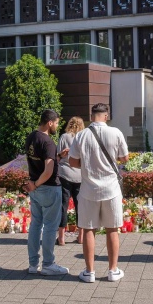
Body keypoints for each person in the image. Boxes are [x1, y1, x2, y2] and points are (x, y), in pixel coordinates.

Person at [69, 103, 129, 282]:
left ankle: (89, 272)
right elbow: (124, 158)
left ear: (92, 115)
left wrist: (87, 165)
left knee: (88, 229)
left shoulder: (81, 135)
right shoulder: (116, 132)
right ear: (106, 115)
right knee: (112, 229)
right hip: (111, 188)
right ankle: (112, 270)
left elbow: (72, 162)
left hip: (88, 189)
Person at [25, 109, 69, 276]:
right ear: (50, 122)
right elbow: (49, 171)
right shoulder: (48, 142)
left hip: (35, 189)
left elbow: (43, 164)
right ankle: (48, 264)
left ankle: (33, 264)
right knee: (50, 227)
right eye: (57, 123)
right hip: (48, 187)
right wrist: (36, 184)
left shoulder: (31, 137)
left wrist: (57, 157)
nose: (57, 126)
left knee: (35, 225)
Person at [56, 116, 85, 245]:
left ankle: (61, 238)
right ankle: (81, 237)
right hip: (80, 175)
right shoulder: (84, 137)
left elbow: (58, 155)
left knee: (63, 205)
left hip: (65, 174)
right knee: (81, 206)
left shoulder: (64, 137)